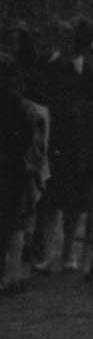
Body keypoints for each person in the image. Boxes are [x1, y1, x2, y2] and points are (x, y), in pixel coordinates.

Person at [30, 18, 93, 275]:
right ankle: (48, 253)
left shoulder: (91, 71)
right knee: (51, 198)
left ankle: (67, 252)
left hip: (80, 143)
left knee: (73, 202)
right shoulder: (53, 68)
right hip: (57, 139)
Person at [0, 50, 46, 297]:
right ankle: (12, 275)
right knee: (13, 222)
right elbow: (27, 136)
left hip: (8, 165)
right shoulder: (20, 104)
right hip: (13, 166)